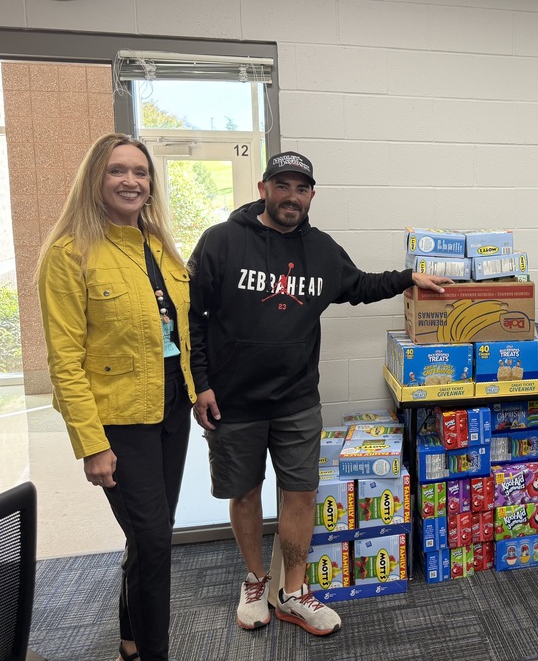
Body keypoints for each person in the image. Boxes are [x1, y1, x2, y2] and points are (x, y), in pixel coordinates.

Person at [188, 152, 451, 637]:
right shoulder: (221, 242)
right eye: (283, 185)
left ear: (312, 195)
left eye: (301, 188)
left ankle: (293, 591)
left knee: (302, 494)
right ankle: (253, 581)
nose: (292, 196)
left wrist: (408, 277)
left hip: (296, 401)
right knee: (244, 494)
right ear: (264, 187)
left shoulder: (322, 250)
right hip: (233, 401)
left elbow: (361, 285)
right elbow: (195, 318)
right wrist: (199, 383)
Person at [37, 133, 194, 661]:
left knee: (149, 538)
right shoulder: (68, 254)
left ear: (151, 186)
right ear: (95, 180)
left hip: (172, 412)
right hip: (120, 423)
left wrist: (200, 392)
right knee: (154, 544)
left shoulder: (161, 247)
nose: (131, 181)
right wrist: (91, 443)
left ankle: (130, 639)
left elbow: (179, 334)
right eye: (116, 171)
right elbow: (65, 360)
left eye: (141, 172)